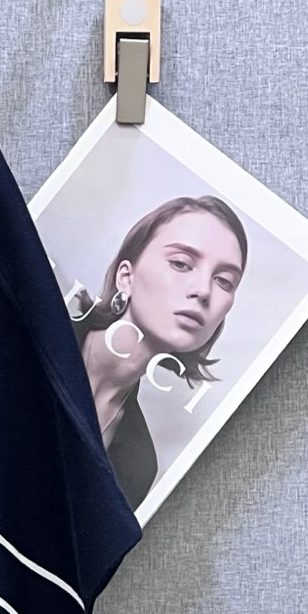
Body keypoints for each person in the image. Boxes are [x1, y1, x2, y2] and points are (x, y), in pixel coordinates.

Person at [69, 194, 248, 509]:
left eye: (224, 281)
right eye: (181, 263)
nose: (203, 291)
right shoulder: (32, 331)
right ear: (127, 277)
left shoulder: (137, 465)